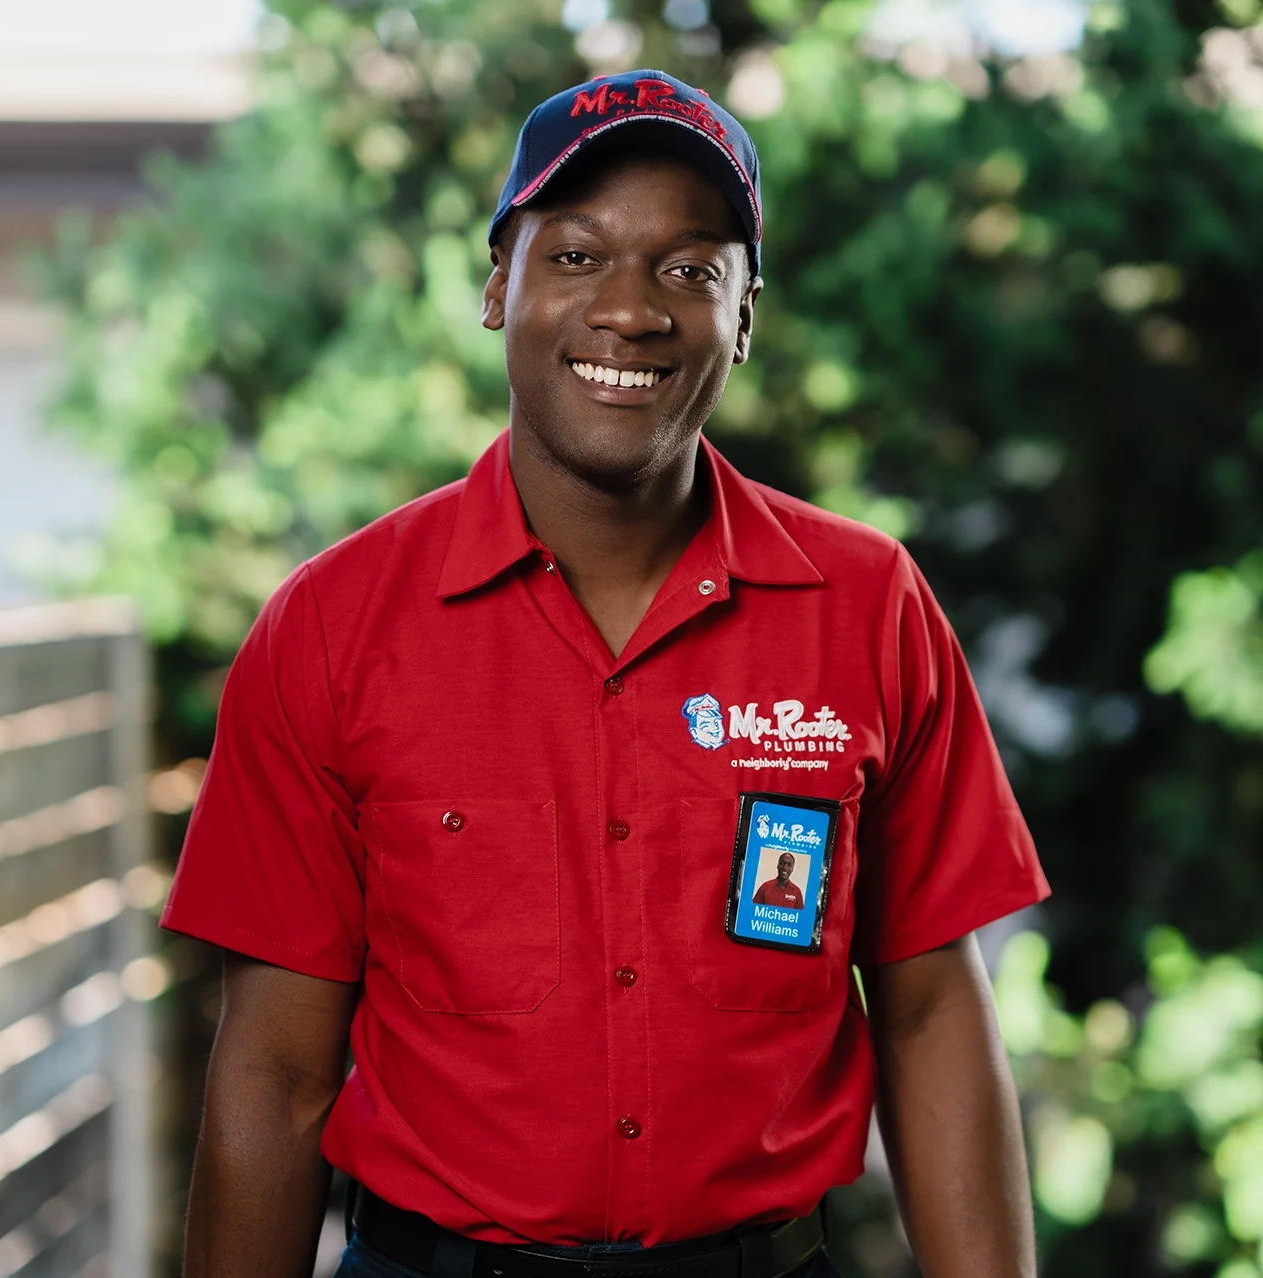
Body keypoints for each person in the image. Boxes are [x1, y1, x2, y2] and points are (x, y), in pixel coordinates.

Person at [163, 69, 1049, 1278]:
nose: (630, 311)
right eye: (575, 256)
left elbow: (933, 1010)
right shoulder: (331, 627)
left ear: (744, 317)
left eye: (691, 270)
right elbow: (274, 1063)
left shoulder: (869, 609)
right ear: (498, 288)